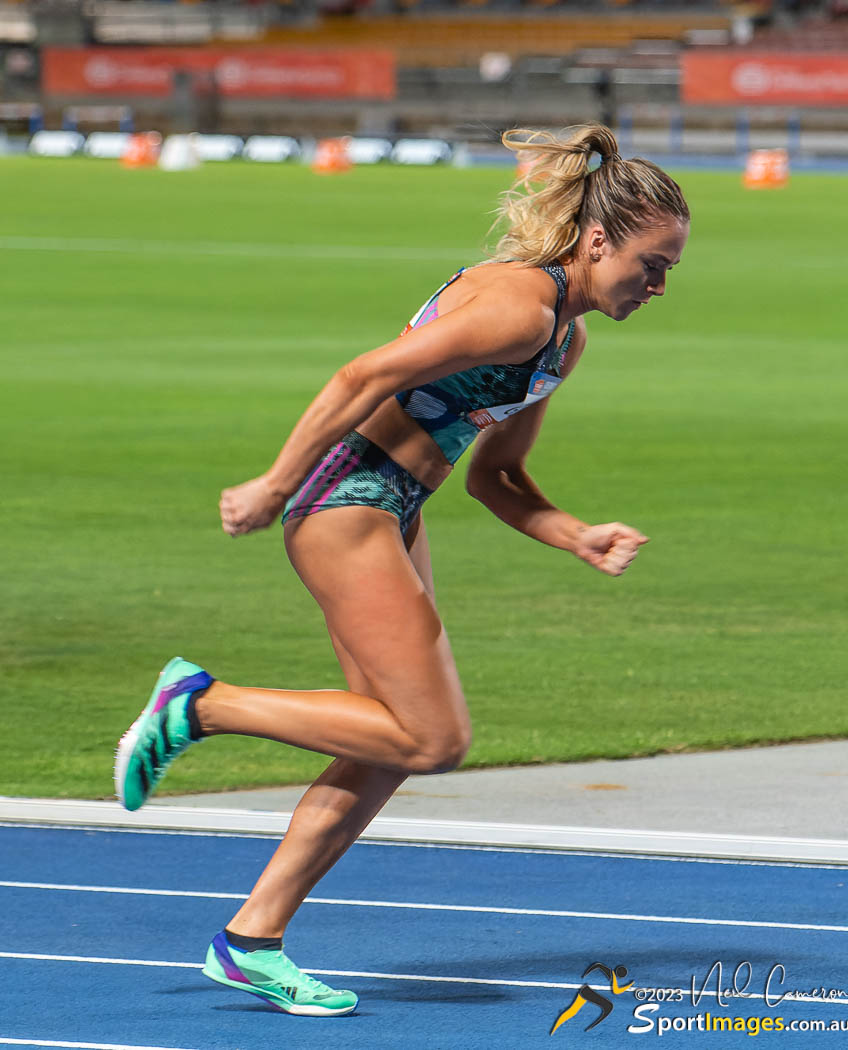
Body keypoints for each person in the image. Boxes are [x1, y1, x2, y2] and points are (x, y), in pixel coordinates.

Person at [113, 122, 690, 1017]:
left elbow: (496, 478)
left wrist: (573, 533)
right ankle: (200, 704)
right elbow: (362, 376)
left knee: (383, 745)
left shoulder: (561, 339)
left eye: (669, 272)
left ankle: (251, 940)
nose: (657, 286)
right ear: (597, 239)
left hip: (393, 506)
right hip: (347, 501)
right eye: (650, 265)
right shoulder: (520, 309)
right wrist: (274, 483)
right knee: (433, 740)